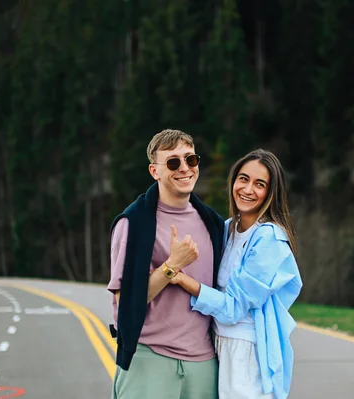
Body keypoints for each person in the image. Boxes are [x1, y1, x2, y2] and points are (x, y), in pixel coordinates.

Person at [169, 149, 303, 399]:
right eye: (243, 179)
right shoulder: (228, 228)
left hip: (245, 351)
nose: (248, 189)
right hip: (217, 342)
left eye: (260, 184)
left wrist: (182, 280)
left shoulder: (269, 240)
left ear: (270, 193)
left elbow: (233, 309)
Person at [107, 129, 225, 399]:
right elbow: (125, 301)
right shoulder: (132, 224)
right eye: (173, 162)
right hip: (150, 357)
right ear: (154, 171)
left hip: (204, 363)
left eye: (190, 160)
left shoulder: (214, 224)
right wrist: (171, 266)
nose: (184, 168)